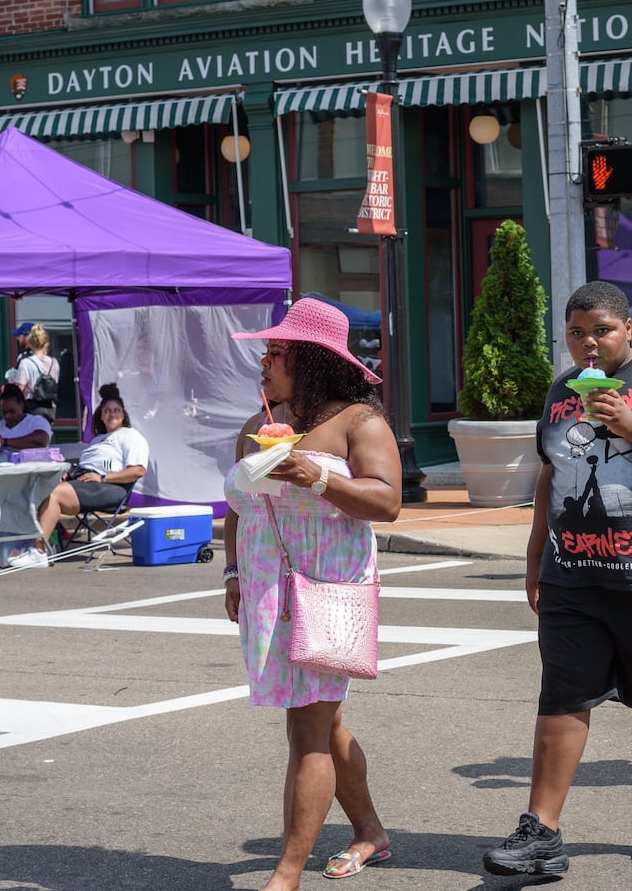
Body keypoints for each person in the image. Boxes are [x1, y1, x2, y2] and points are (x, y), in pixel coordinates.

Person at [483, 281, 632, 876]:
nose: (588, 343)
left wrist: (630, 422)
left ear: (626, 330)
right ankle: (542, 830)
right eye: (576, 333)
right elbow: (551, 473)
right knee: (562, 698)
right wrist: (535, 556)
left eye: (601, 330)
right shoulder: (562, 389)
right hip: (572, 576)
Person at [222, 297, 400, 889]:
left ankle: (286, 873)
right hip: (270, 590)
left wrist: (315, 474)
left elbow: (388, 501)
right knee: (324, 721)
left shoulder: (358, 421)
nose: (265, 362)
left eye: (278, 352)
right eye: (267, 351)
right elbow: (237, 509)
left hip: (331, 588)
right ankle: (371, 831)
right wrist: (233, 575)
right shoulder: (259, 421)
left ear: (316, 360)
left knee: (307, 730)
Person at [9, 383, 148, 569]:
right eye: (107, 410)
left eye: (117, 410)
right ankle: (41, 545)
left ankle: (38, 552)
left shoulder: (130, 435)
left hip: (112, 488)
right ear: (101, 415)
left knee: (55, 494)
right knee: (39, 487)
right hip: (87, 482)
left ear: (123, 415)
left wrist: (103, 478)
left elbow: (138, 470)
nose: (112, 414)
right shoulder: (97, 440)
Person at [12, 323, 60, 419]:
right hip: (50, 407)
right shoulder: (54, 363)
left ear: (30, 342)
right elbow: (54, 383)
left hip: (32, 407)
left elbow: (19, 390)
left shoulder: (25, 363)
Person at [0, 385, 51, 450]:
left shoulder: (37, 421)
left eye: (12, 411)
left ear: (22, 406)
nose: (7, 416)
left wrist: (5, 442)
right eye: (4, 412)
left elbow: (42, 440)